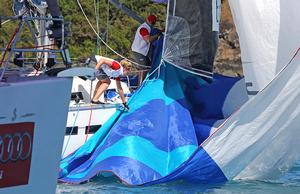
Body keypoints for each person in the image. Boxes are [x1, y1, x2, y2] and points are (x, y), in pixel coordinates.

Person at [131, 15, 162, 83]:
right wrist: (157, 35)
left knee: (148, 67)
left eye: (153, 23)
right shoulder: (143, 28)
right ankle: (140, 86)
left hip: (142, 52)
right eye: (152, 23)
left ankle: (142, 84)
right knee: (143, 69)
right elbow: (148, 40)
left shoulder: (148, 28)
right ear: (148, 21)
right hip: (138, 52)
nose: (152, 24)